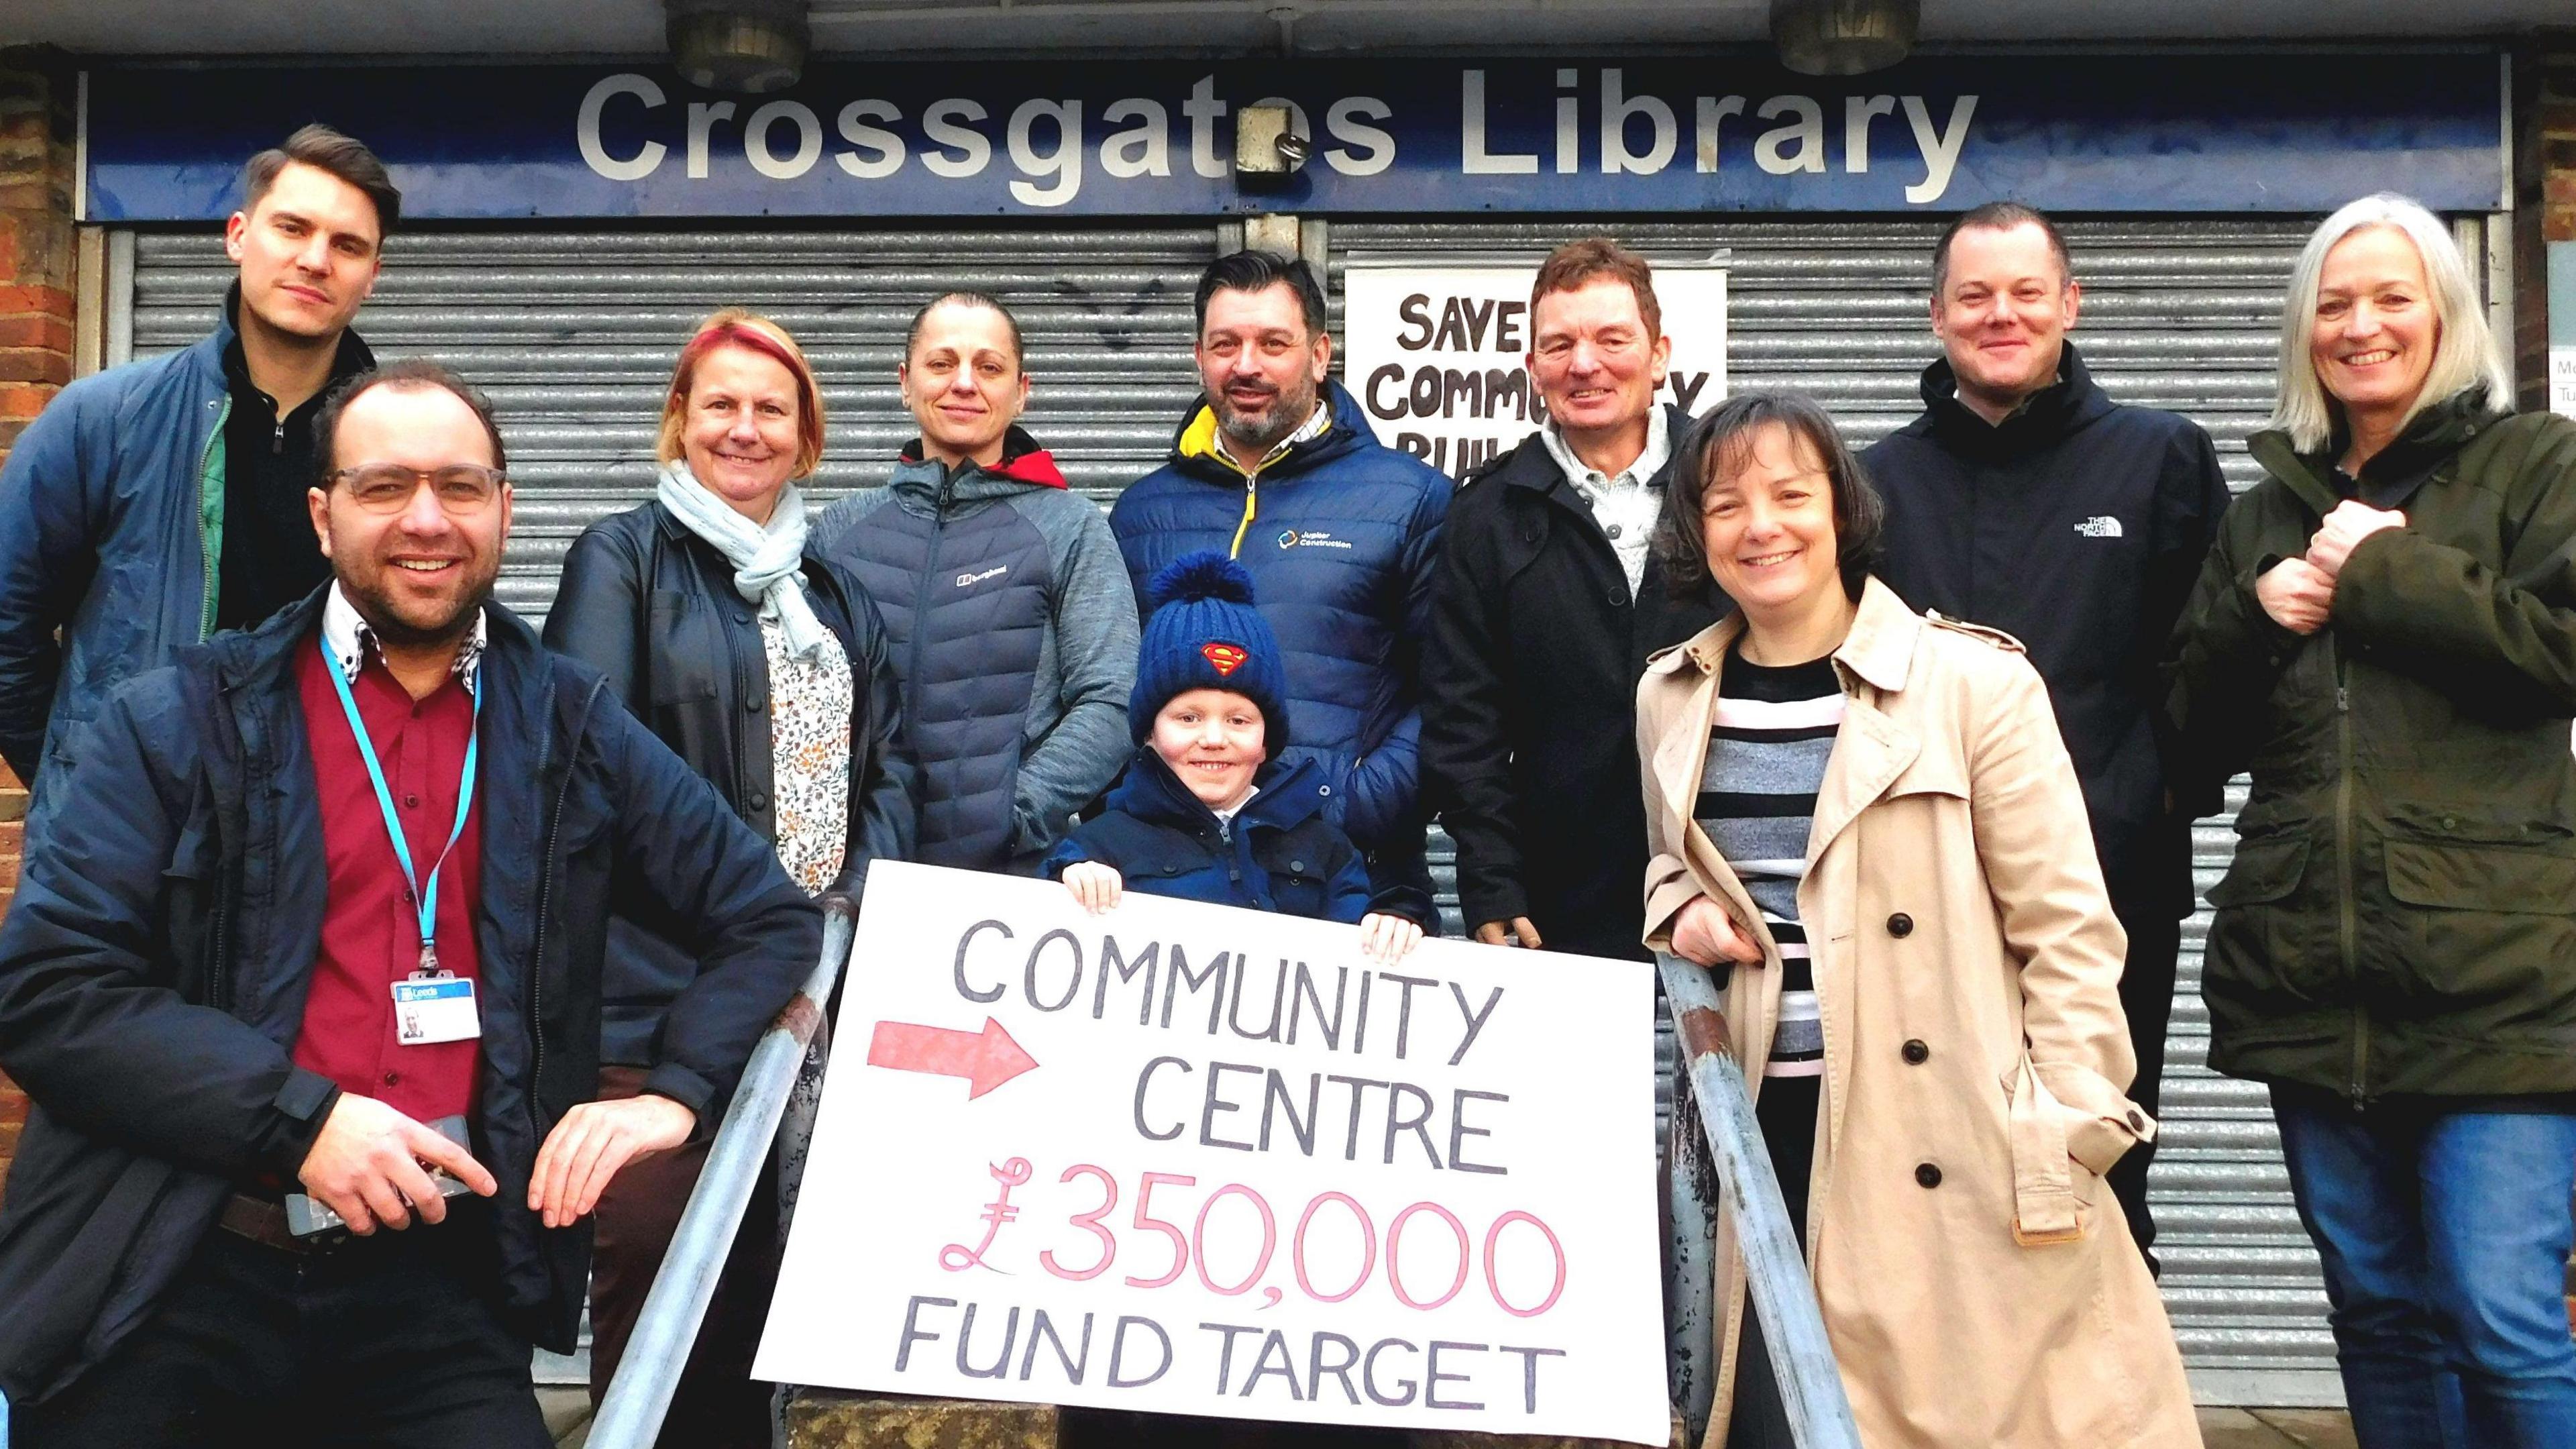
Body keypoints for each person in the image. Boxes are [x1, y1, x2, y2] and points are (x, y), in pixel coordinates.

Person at [0, 360, 819, 1444]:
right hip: (181, 1269)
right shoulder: (182, 719)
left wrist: (677, 1092)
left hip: (437, 1295)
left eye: (460, 487)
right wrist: (304, 1124)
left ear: (505, 510)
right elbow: (49, 993)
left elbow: (767, 917)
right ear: (322, 514)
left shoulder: (572, 728)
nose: (426, 520)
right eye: (384, 487)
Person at [1641, 392, 2194, 1448]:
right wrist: (1681, 913)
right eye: (1727, 504)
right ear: (1695, 531)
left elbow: (2069, 928)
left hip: (1953, 1137)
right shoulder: (1671, 694)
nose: (1762, 526)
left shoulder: (1973, 684)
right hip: (1764, 1135)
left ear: (1842, 512)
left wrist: (2067, 1129)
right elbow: (1673, 868)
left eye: (1792, 495)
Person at [2165, 194, 2576, 1448]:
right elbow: (2188, 735)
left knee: (2501, 1315)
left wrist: (2382, 573)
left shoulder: (2534, 464)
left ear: (2445, 315)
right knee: (2378, 1308)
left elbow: (2561, 650)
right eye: (2334, 305)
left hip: (2493, 978)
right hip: (2310, 976)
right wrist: (2254, 615)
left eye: (2393, 297)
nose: (2363, 327)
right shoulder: (2263, 510)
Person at [543, 309, 915, 1445]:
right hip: (661, 999)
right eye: (721, 405)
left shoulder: (837, 592)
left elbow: (892, 768)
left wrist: (853, 906)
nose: (744, 429)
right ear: (680, 423)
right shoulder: (622, 556)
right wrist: (750, 911)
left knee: (784, 1294)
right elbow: (589, 760)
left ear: (807, 437)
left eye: (771, 409)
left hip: (816, 1000)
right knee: (664, 1284)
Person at [1860, 203, 2231, 1268]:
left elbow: (2211, 662)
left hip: (2106, 896)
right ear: (1937, 316)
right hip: (1918, 899)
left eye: (2027, 291)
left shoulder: (2161, 458)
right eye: (1974, 295)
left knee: (2095, 1167)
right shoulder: (1877, 482)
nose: (2001, 314)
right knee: (1933, 1175)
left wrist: (2155, 796)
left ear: (2070, 304)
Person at [0, 125, 396, 840]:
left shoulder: (398, 447)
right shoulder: (105, 419)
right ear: (239, 235)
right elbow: (6, 624)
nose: (315, 260)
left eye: (347, 245)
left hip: (331, 840)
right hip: (133, 846)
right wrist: (88, 781)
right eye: (292, 228)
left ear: (373, 275)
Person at [1110, 252, 1447, 934]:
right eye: (1225, 344)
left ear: (1319, 355)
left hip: (1356, 884)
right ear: (1199, 357)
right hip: (1173, 886)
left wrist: (1346, 804)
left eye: (1274, 343)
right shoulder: (1142, 513)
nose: (1247, 366)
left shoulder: (1411, 496)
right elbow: (1113, 689)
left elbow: (1450, 692)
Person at [1424, 237, 1729, 962]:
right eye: (1558, 345)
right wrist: (1493, 884)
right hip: (1559, 903)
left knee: (1733, 1078)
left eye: (1611, 339)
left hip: (1733, 879)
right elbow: (1463, 722)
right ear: (1532, 369)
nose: (1584, 364)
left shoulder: (1732, 479)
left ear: (1659, 355)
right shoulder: (1486, 513)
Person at [814, 292, 1134, 872]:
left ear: (1021, 391)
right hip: (855, 875)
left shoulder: (1069, 526)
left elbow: (1112, 701)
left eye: (989, 367)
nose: (964, 383)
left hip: (1009, 881)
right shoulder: (839, 530)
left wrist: (1011, 813)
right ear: (905, 381)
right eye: (941, 364)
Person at [1045, 551, 1431, 959]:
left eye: (1239, 721)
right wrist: (1071, 879)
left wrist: (1397, 917)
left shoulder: (1325, 848)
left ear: (1267, 741)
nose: (1214, 739)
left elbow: (1362, 952)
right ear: (1149, 735)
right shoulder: (1100, 844)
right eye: (1189, 717)